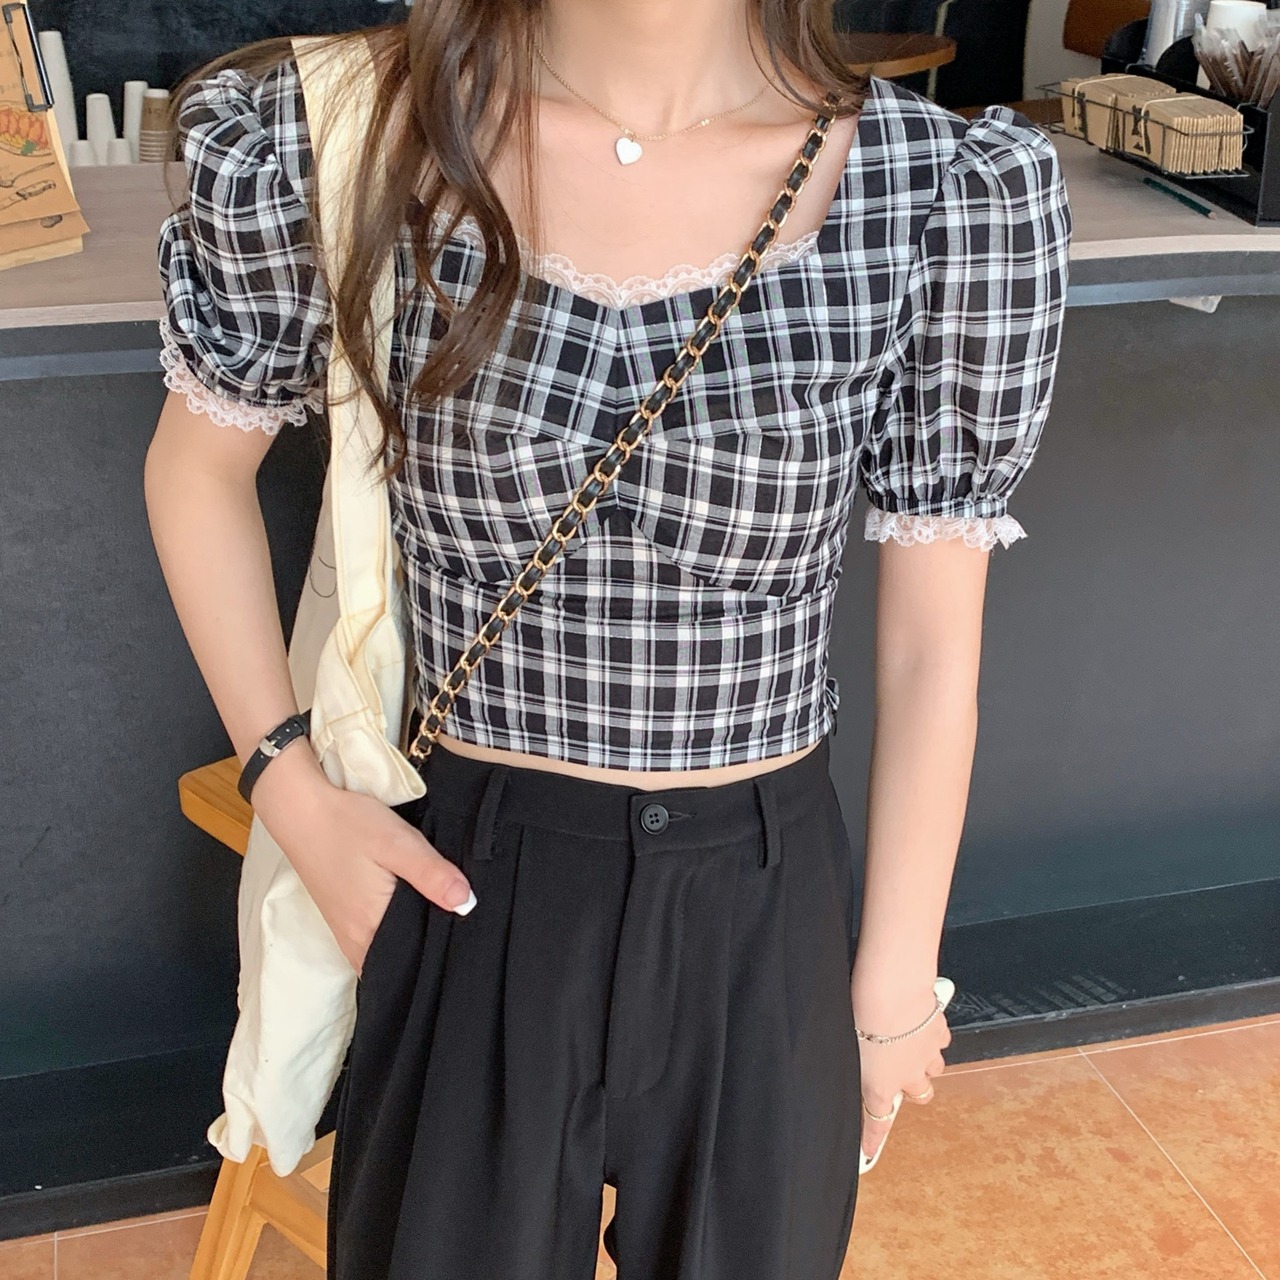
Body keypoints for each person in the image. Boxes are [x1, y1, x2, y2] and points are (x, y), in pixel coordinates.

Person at [143, 0, 1072, 1276]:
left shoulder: (933, 192)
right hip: (470, 877)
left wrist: (895, 975)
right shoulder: (359, 140)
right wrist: (289, 789)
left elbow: (927, 649)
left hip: (761, 906)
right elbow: (195, 472)